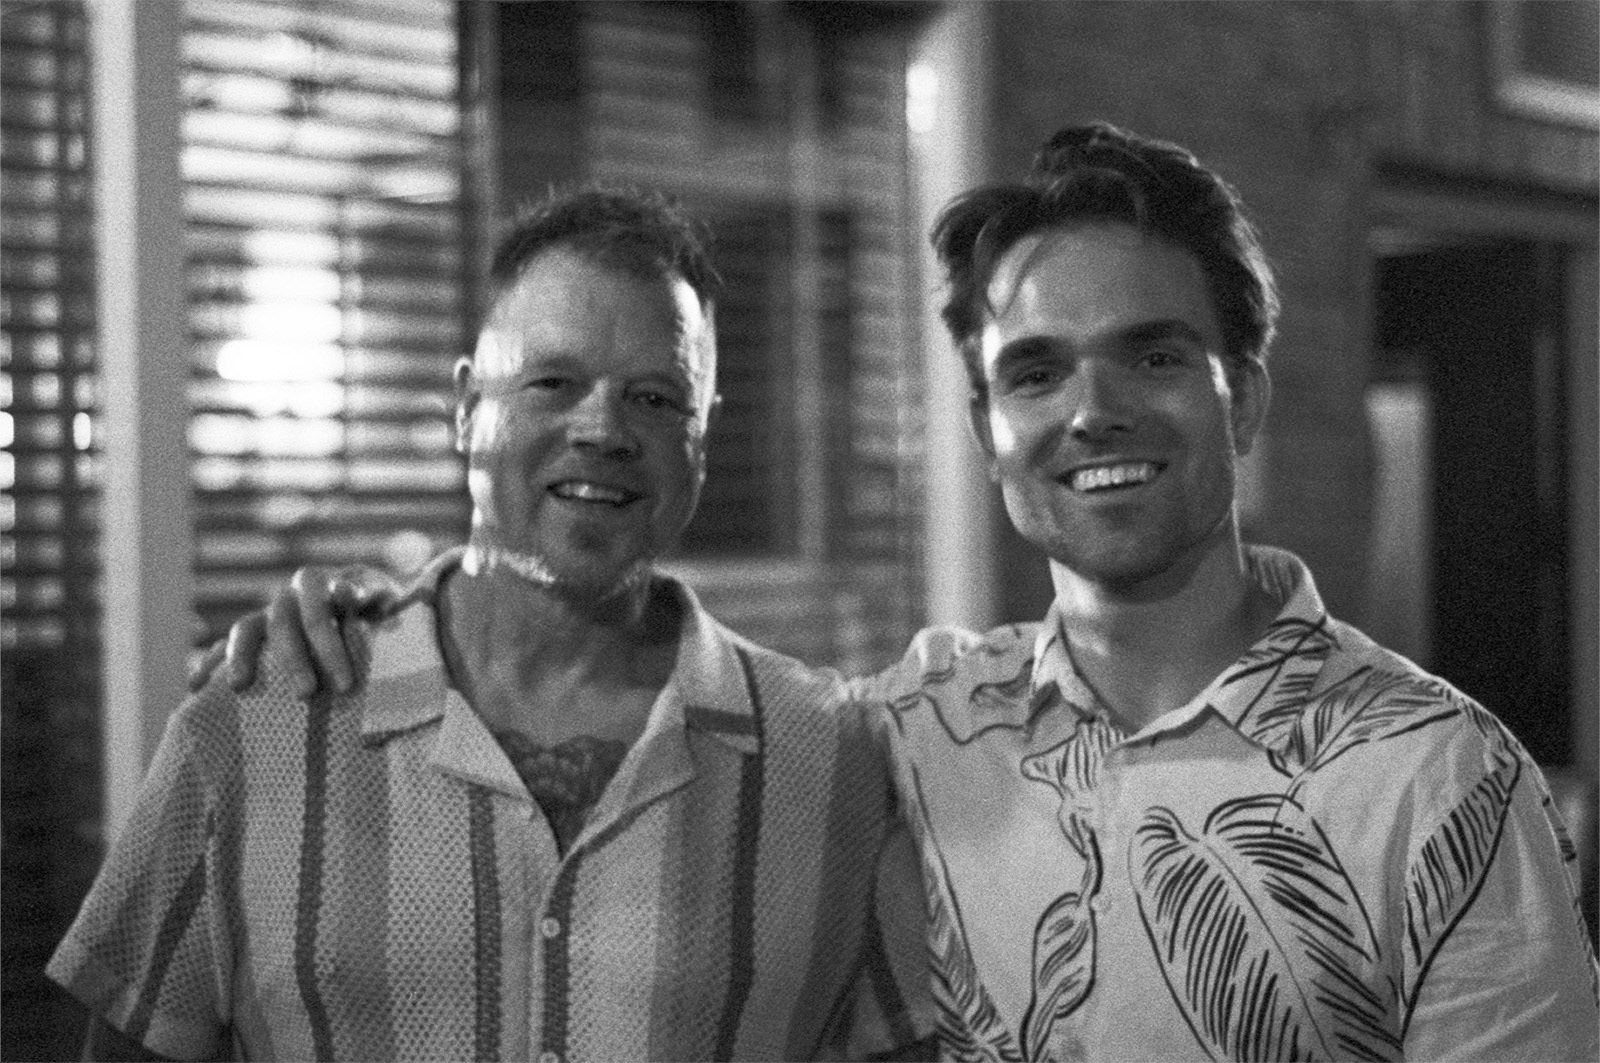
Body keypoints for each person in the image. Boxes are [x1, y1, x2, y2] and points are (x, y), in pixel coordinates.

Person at [203, 124, 1600, 1061]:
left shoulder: (1437, 777)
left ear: (1246, 396)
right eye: (1035, 370)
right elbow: (639, 685)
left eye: (1155, 354)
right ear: (989, 427)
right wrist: (383, 625)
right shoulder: (908, 727)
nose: (1093, 409)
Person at [47, 188, 933, 1061]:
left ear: (702, 437)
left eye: (656, 398)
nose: (603, 428)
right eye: (553, 382)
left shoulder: (839, 764)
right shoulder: (257, 726)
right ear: (468, 409)